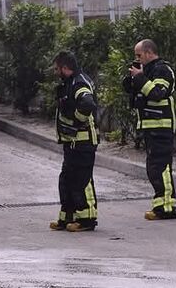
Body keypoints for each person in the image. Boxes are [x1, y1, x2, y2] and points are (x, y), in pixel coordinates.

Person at [123, 39, 176, 220]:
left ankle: (167, 207)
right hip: (150, 127)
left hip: (161, 127)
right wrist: (131, 79)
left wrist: (140, 78)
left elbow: (158, 93)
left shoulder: (162, 70)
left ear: (149, 52)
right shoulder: (145, 70)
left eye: (139, 55)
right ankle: (160, 205)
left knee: (161, 167)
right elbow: (135, 92)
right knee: (153, 169)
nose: (137, 59)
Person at [50, 51, 99, 233]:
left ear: (65, 68)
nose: (56, 73)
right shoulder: (70, 82)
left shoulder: (79, 83)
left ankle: (86, 219)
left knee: (81, 180)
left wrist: (76, 120)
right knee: (67, 179)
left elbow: (87, 104)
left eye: (57, 69)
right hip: (72, 142)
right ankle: (67, 217)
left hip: (83, 141)